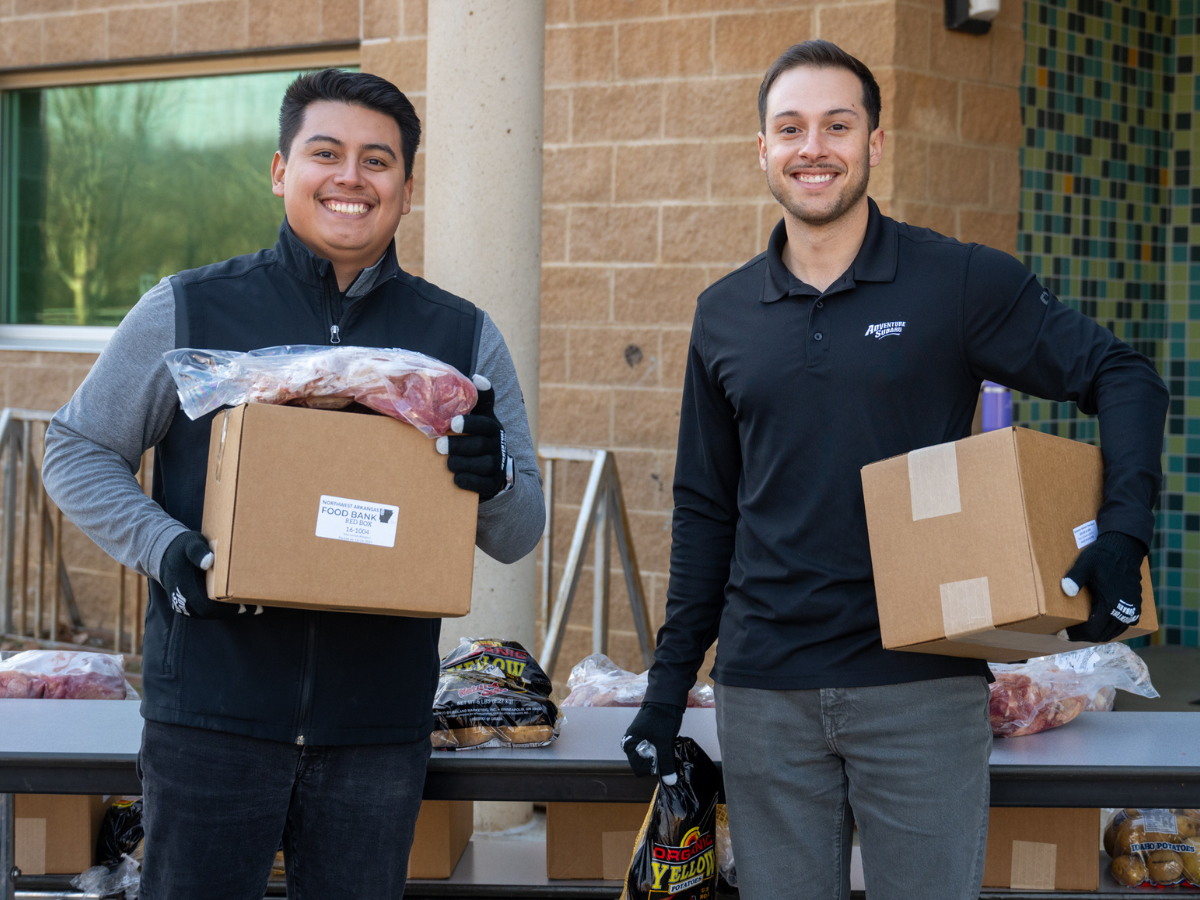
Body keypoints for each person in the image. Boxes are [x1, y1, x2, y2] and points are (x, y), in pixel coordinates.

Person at [621, 40, 1168, 899]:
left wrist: (1122, 533)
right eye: (791, 128)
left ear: (875, 143)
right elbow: (705, 509)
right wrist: (667, 686)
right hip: (765, 693)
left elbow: (1123, 375)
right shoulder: (723, 313)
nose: (814, 147)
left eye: (838, 125)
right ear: (761, 149)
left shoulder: (952, 281)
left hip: (919, 686)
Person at [42, 69, 544, 900]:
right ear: (281, 170)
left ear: (406, 189)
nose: (352, 177)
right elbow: (75, 447)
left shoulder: (460, 338)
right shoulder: (191, 312)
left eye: (377, 161)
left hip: (376, 733)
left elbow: (519, 531)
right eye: (326, 152)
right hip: (210, 714)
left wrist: (491, 475)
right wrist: (166, 551)